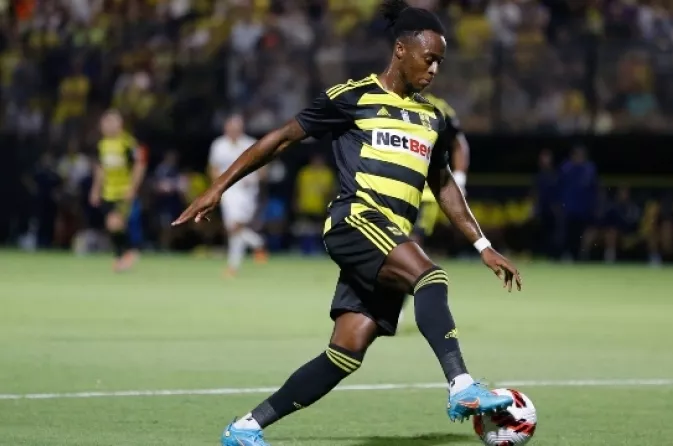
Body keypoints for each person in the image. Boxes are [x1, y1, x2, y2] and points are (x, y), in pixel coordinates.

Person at [173, 2, 522, 445]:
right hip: (356, 221)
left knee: (346, 352)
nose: (434, 69)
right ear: (401, 50)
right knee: (430, 277)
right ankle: (461, 384)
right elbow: (279, 139)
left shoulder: (431, 118)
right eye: (428, 58)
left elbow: (444, 185)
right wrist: (217, 188)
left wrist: (483, 246)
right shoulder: (353, 96)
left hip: (391, 237)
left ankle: (245, 428)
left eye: (440, 62)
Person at [398, 91, 469, 327]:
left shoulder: (439, 108)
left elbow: (459, 143)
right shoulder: (387, 101)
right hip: (393, 187)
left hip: (426, 193)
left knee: (411, 244)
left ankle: (396, 306)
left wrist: (459, 180)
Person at [209, 114, 268, 277]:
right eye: (230, 127)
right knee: (233, 227)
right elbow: (214, 168)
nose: (233, 130)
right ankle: (251, 249)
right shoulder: (219, 145)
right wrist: (217, 190)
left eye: (236, 128)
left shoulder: (249, 144)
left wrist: (255, 179)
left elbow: (262, 168)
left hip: (247, 192)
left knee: (235, 228)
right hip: (228, 191)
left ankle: (255, 246)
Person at [89, 110, 147, 272]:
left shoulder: (128, 143)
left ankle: (127, 253)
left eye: (111, 122)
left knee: (115, 222)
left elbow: (140, 165)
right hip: (108, 192)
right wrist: (95, 190)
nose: (107, 126)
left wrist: (133, 187)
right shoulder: (101, 145)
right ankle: (124, 254)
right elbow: (100, 169)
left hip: (123, 192)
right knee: (112, 225)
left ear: (120, 124)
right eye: (105, 123)